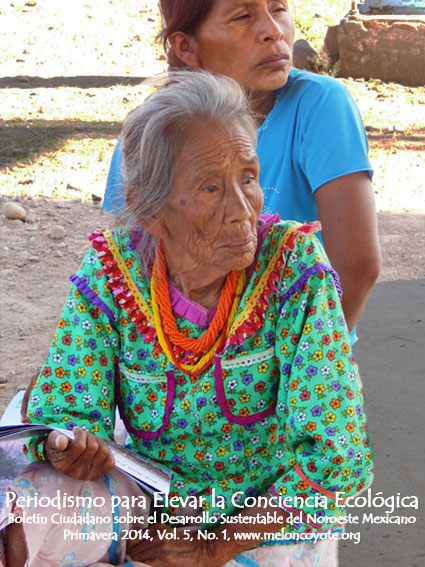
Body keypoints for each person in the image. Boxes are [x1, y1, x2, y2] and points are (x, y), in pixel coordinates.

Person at [2, 71, 373, 567]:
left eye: (248, 176)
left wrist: (209, 549)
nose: (244, 210)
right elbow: (67, 413)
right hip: (151, 505)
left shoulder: (295, 269)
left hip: (264, 521)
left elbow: (335, 460)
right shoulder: (113, 272)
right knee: (20, 519)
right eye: (211, 188)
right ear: (149, 211)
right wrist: (71, 448)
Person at [103, 0, 382, 337]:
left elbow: (357, 267)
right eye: (243, 16)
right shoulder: (155, 131)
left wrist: (312, 363)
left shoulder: (320, 105)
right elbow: (128, 268)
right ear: (186, 46)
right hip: (180, 354)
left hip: (292, 351)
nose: (273, 31)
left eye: (278, 9)